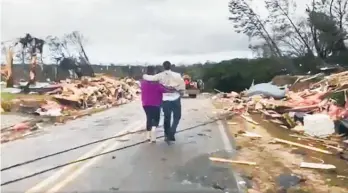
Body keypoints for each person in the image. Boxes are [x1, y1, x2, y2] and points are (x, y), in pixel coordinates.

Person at [143, 61, 185, 144]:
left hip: (165, 99)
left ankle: (166, 135)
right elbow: (182, 86)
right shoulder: (177, 75)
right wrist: (181, 93)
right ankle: (172, 132)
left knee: (167, 118)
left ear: (163, 67)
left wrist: (144, 75)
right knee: (177, 116)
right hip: (176, 98)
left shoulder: (160, 75)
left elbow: (150, 78)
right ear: (171, 66)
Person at [140, 66, 168, 143]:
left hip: (145, 104)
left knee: (148, 118)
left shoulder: (143, 83)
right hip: (155, 104)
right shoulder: (157, 83)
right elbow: (164, 90)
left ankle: (148, 136)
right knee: (156, 119)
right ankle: (153, 136)